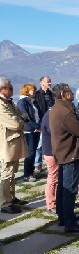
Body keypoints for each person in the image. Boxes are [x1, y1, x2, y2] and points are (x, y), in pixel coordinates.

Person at [50, 83, 79, 232]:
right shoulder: (65, 111)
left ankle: (63, 216)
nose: (73, 95)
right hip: (70, 153)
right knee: (69, 188)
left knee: (62, 187)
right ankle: (70, 222)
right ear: (63, 95)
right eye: (70, 93)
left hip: (62, 152)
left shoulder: (56, 108)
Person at [0, 77, 28, 214]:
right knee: (6, 173)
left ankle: (11, 197)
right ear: (2, 89)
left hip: (13, 143)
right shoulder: (1, 105)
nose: (12, 90)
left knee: (12, 172)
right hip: (6, 144)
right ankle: (4, 202)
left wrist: (20, 118)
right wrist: (21, 121)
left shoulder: (8, 102)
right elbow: (16, 124)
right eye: (9, 88)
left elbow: (22, 114)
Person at [17, 83, 41, 182]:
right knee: (30, 152)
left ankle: (31, 171)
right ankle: (27, 174)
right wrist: (37, 126)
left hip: (36, 129)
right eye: (32, 90)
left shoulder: (32, 101)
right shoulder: (22, 102)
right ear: (26, 90)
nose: (34, 91)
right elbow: (25, 117)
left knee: (34, 151)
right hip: (29, 130)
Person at [34, 76, 54, 173]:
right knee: (39, 144)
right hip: (42, 121)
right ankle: (37, 164)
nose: (49, 83)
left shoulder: (51, 94)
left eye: (50, 82)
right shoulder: (37, 95)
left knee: (51, 142)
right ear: (42, 83)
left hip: (52, 121)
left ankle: (50, 161)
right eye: (48, 82)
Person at [41, 108, 57, 214]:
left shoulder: (51, 115)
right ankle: (51, 204)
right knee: (53, 178)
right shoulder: (49, 116)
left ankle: (55, 201)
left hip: (53, 151)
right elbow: (54, 132)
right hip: (51, 152)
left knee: (56, 178)